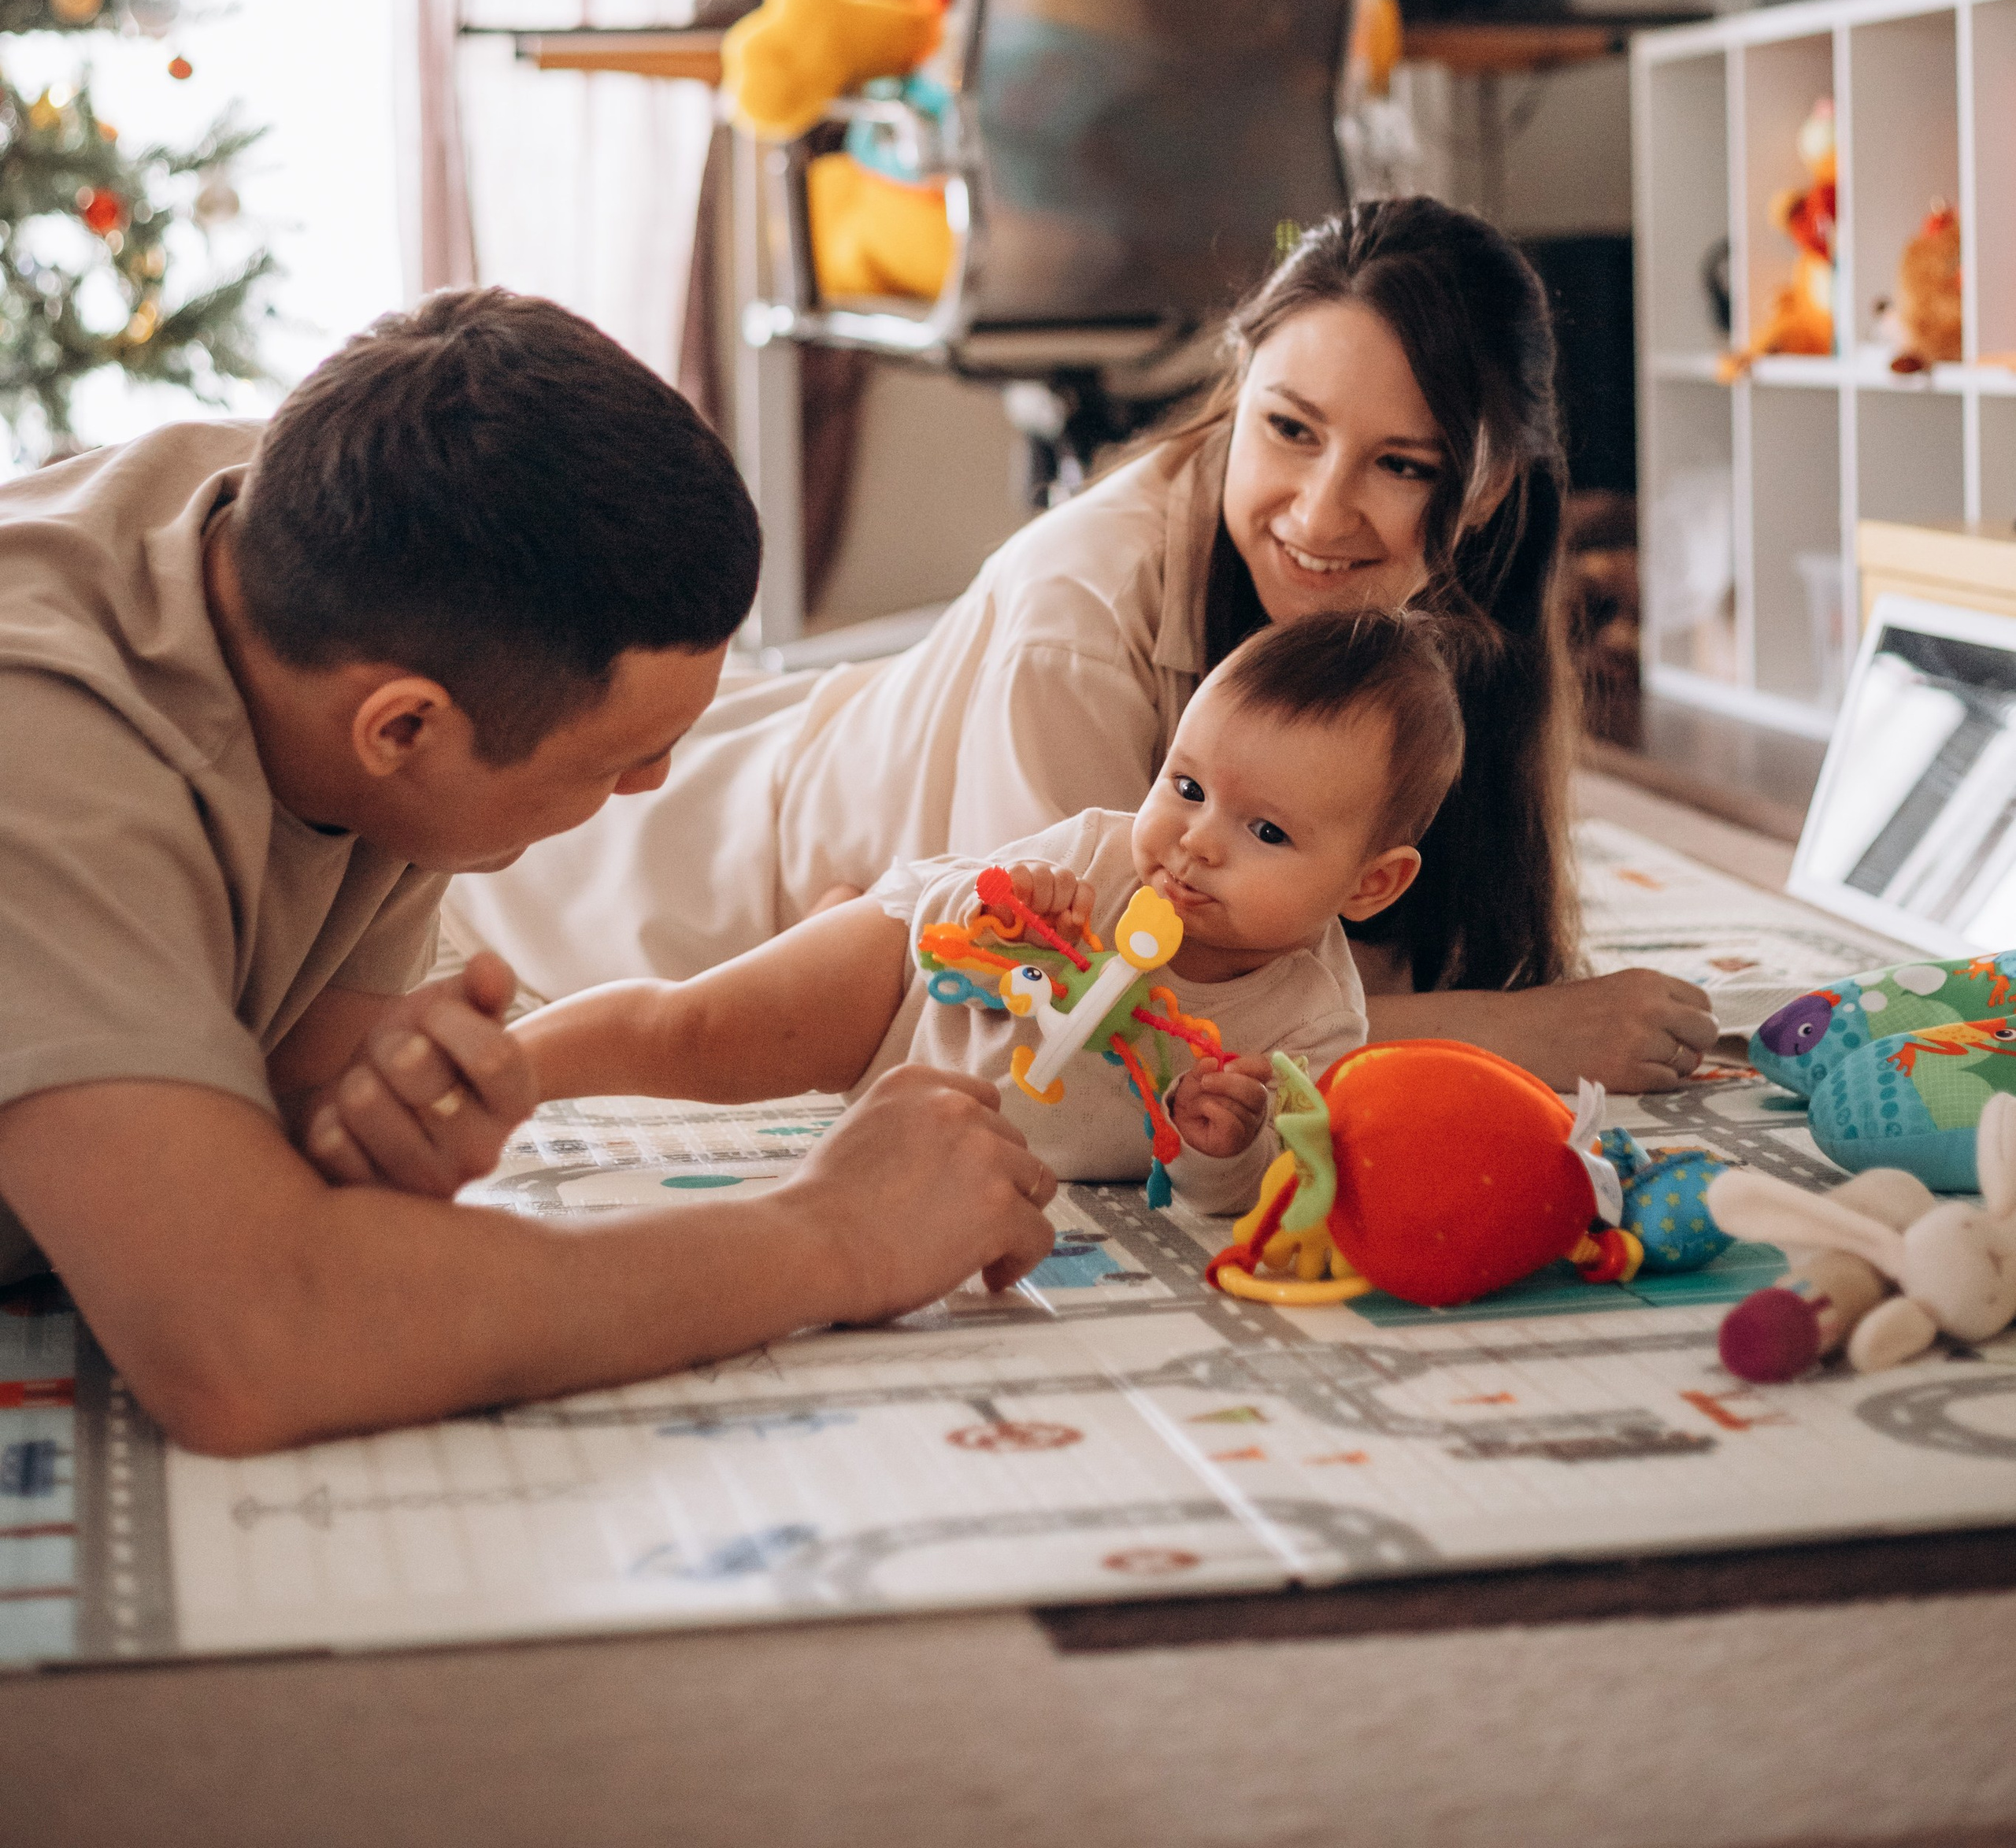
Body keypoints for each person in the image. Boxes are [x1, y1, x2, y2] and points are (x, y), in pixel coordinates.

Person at [0, 291, 1055, 1459]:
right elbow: (252, 1346)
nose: (654, 786)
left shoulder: (344, 568)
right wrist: (833, 1235)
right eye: (618, 762)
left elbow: (290, 1117)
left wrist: (353, 1135)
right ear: (402, 731)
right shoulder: (44, 755)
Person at [448, 198, 1718, 1096]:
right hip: (638, 871)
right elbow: (1080, 1039)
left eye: (1404, 466)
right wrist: (1517, 1035)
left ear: (1495, 486)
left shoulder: (1459, 621)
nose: (1323, 515)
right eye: (1287, 431)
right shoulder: (1080, 619)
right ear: (1237, 392)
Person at [495, 611, 1462, 1222]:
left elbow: (1247, 1198)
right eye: (1186, 784)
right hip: (903, 1001)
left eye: (1264, 830)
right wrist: (1003, 915)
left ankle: (823, 910)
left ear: (1371, 884)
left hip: (975, 1131)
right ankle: (501, 1066)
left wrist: (1223, 1144)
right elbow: (951, 928)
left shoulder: (1317, 1026)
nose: (1195, 842)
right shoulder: (1094, 852)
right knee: (693, 1030)